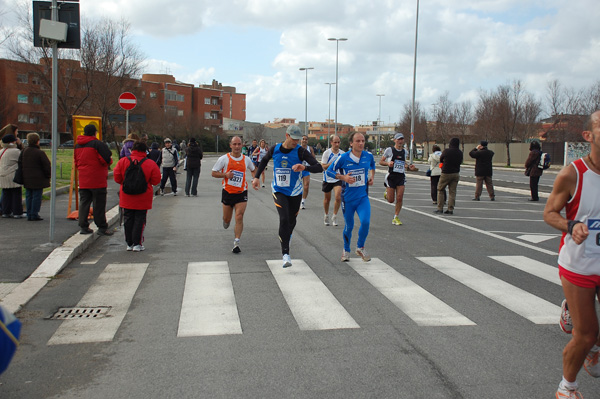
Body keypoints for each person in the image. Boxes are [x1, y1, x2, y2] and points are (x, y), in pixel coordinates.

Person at [543, 110, 600, 399]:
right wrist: (572, 225)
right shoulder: (573, 174)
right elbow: (549, 213)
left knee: (592, 333)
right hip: (580, 264)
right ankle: (567, 388)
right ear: (588, 136)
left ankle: (578, 317)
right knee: (586, 334)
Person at [252, 125, 323, 268]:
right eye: (293, 139)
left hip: (295, 192)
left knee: (291, 221)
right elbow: (264, 160)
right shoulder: (275, 149)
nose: (296, 142)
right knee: (284, 219)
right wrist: (256, 177)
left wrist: (304, 168)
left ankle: (286, 237)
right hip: (279, 190)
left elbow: (319, 167)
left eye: (298, 139)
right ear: (286, 136)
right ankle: (286, 254)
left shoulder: (301, 152)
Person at [326, 132, 375, 262]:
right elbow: (329, 171)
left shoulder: (368, 156)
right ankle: (346, 250)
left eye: (363, 141)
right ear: (351, 143)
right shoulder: (343, 158)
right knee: (349, 226)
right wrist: (343, 178)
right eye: (358, 141)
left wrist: (371, 178)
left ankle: (360, 247)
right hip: (348, 199)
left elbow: (372, 165)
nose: (361, 143)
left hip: (362, 197)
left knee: (365, 222)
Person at [113, 141, 161, 252]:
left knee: (128, 219)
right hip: (143, 196)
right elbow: (156, 180)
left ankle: (129, 243)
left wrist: (125, 183)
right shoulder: (150, 163)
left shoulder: (123, 161)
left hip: (126, 195)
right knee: (140, 219)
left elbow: (117, 177)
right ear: (145, 151)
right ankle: (137, 243)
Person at [212, 136, 255, 253]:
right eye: (234, 144)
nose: (237, 146)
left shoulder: (246, 159)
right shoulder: (223, 159)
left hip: (241, 192)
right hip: (227, 192)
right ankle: (226, 221)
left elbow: (253, 169)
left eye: (239, 144)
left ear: (242, 145)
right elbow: (214, 173)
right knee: (227, 219)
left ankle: (236, 242)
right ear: (230, 145)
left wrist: (254, 179)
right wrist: (225, 175)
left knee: (239, 216)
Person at [74, 123, 113, 235]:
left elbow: (76, 161)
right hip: (97, 179)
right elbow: (106, 159)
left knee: (84, 203)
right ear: (95, 132)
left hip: (83, 178)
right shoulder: (97, 144)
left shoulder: (77, 145)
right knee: (99, 204)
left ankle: (83, 226)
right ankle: (101, 227)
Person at [379, 132, 417, 225]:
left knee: (399, 197)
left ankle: (396, 217)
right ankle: (387, 192)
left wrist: (409, 167)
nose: (400, 141)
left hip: (400, 176)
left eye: (401, 139)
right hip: (391, 176)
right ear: (395, 140)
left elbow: (404, 163)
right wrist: (388, 163)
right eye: (398, 139)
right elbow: (381, 161)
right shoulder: (389, 150)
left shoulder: (405, 152)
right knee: (391, 200)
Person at [21, 133, 51, 221]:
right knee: (36, 196)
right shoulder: (40, 153)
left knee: (29, 196)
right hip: (38, 178)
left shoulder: (24, 151)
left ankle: (29, 213)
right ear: (38, 141)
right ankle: (34, 213)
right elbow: (46, 165)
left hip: (27, 177)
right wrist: (48, 175)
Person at [434, 137, 463, 215]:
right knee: (452, 192)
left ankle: (440, 208)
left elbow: (441, 159)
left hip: (446, 172)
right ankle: (450, 209)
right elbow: (461, 161)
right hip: (456, 173)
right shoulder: (460, 152)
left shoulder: (446, 151)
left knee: (440, 190)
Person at [321, 135, 344, 226]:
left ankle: (334, 216)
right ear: (331, 142)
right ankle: (326, 215)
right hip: (327, 178)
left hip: (337, 178)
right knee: (327, 199)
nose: (337, 144)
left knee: (338, 197)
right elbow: (323, 166)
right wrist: (332, 164)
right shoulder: (327, 153)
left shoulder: (342, 154)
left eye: (338, 142)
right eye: (335, 142)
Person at [0, 134, 24, 219]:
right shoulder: (15, 151)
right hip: (12, 175)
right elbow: (22, 158)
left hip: (3, 175)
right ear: (11, 142)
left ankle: (5, 212)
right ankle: (17, 212)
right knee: (16, 194)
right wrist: (20, 144)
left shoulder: (2, 151)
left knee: (6, 194)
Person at [300, 135, 313, 209]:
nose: (304, 140)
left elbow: (313, 158)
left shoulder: (310, 148)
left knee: (306, 185)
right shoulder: (297, 148)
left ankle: (303, 201)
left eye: (306, 139)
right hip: (298, 170)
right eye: (303, 139)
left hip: (306, 169)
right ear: (301, 140)